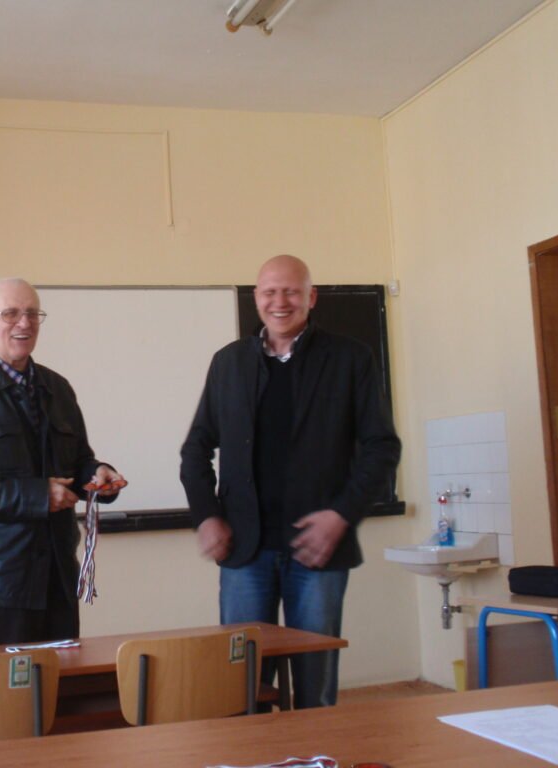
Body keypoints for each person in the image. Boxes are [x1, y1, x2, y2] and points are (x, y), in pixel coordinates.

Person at [180, 255, 400, 708]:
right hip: (245, 549)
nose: (279, 302)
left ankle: (314, 747)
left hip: (318, 551)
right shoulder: (229, 363)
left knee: (315, 685)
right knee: (242, 687)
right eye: (269, 292)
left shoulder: (350, 359)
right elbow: (195, 449)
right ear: (256, 298)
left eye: (291, 291)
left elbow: (382, 448)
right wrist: (207, 516)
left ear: (311, 297)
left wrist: (342, 515)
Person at [0, 277, 125, 648]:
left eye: (33, 313)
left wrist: (97, 474)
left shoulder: (57, 388)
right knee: (2, 684)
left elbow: (78, 460)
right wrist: (38, 496)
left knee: (62, 681)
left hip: (56, 573)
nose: (24, 323)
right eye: (10, 313)